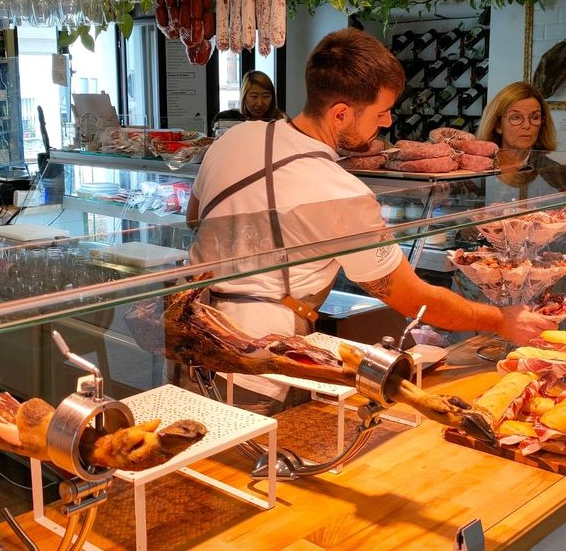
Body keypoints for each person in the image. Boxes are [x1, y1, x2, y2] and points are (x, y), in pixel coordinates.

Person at [186, 28, 556, 409]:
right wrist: (501, 319)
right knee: (244, 462)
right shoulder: (339, 190)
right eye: (381, 113)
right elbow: (415, 299)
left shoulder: (234, 137)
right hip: (255, 358)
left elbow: (193, 219)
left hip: (187, 331)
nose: (386, 122)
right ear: (341, 113)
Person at [476, 81, 566, 193]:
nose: (527, 125)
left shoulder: (555, 172)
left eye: (534, 117)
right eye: (516, 117)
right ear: (498, 125)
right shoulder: (475, 163)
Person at [212, 70, 286, 126]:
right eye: (254, 96)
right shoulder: (228, 120)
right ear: (244, 97)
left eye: (266, 96)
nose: (260, 103)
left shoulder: (281, 120)